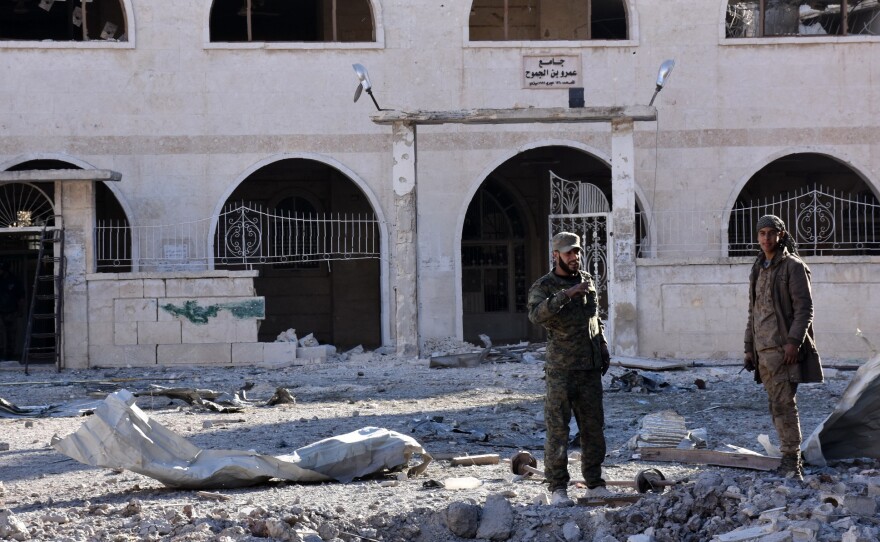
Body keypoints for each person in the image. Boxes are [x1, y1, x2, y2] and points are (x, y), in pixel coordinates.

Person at [527, 231, 610, 506]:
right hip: (561, 370)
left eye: (576, 252)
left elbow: (594, 318)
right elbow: (535, 315)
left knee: (593, 429)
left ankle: (595, 483)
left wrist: (603, 346)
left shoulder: (587, 280)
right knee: (558, 430)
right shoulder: (545, 285)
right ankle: (558, 487)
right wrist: (565, 294)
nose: (574, 257)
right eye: (568, 253)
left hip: (588, 369)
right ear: (556, 255)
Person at [744, 215, 823, 481]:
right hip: (762, 352)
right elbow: (753, 312)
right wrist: (748, 348)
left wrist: (793, 342)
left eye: (771, 233)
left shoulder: (793, 267)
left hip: (783, 350)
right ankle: (789, 458)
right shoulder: (758, 267)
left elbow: (805, 309)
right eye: (762, 233)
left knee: (784, 405)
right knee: (775, 404)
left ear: (781, 235)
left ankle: (792, 461)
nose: (766, 238)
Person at [0, 261, 24, 360]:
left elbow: (21, 297)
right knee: (1, 334)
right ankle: (2, 354)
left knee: (11, 334)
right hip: (1, 311)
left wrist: (20, 310)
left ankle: (9, 355)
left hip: (11, 311)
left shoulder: (14, 280)